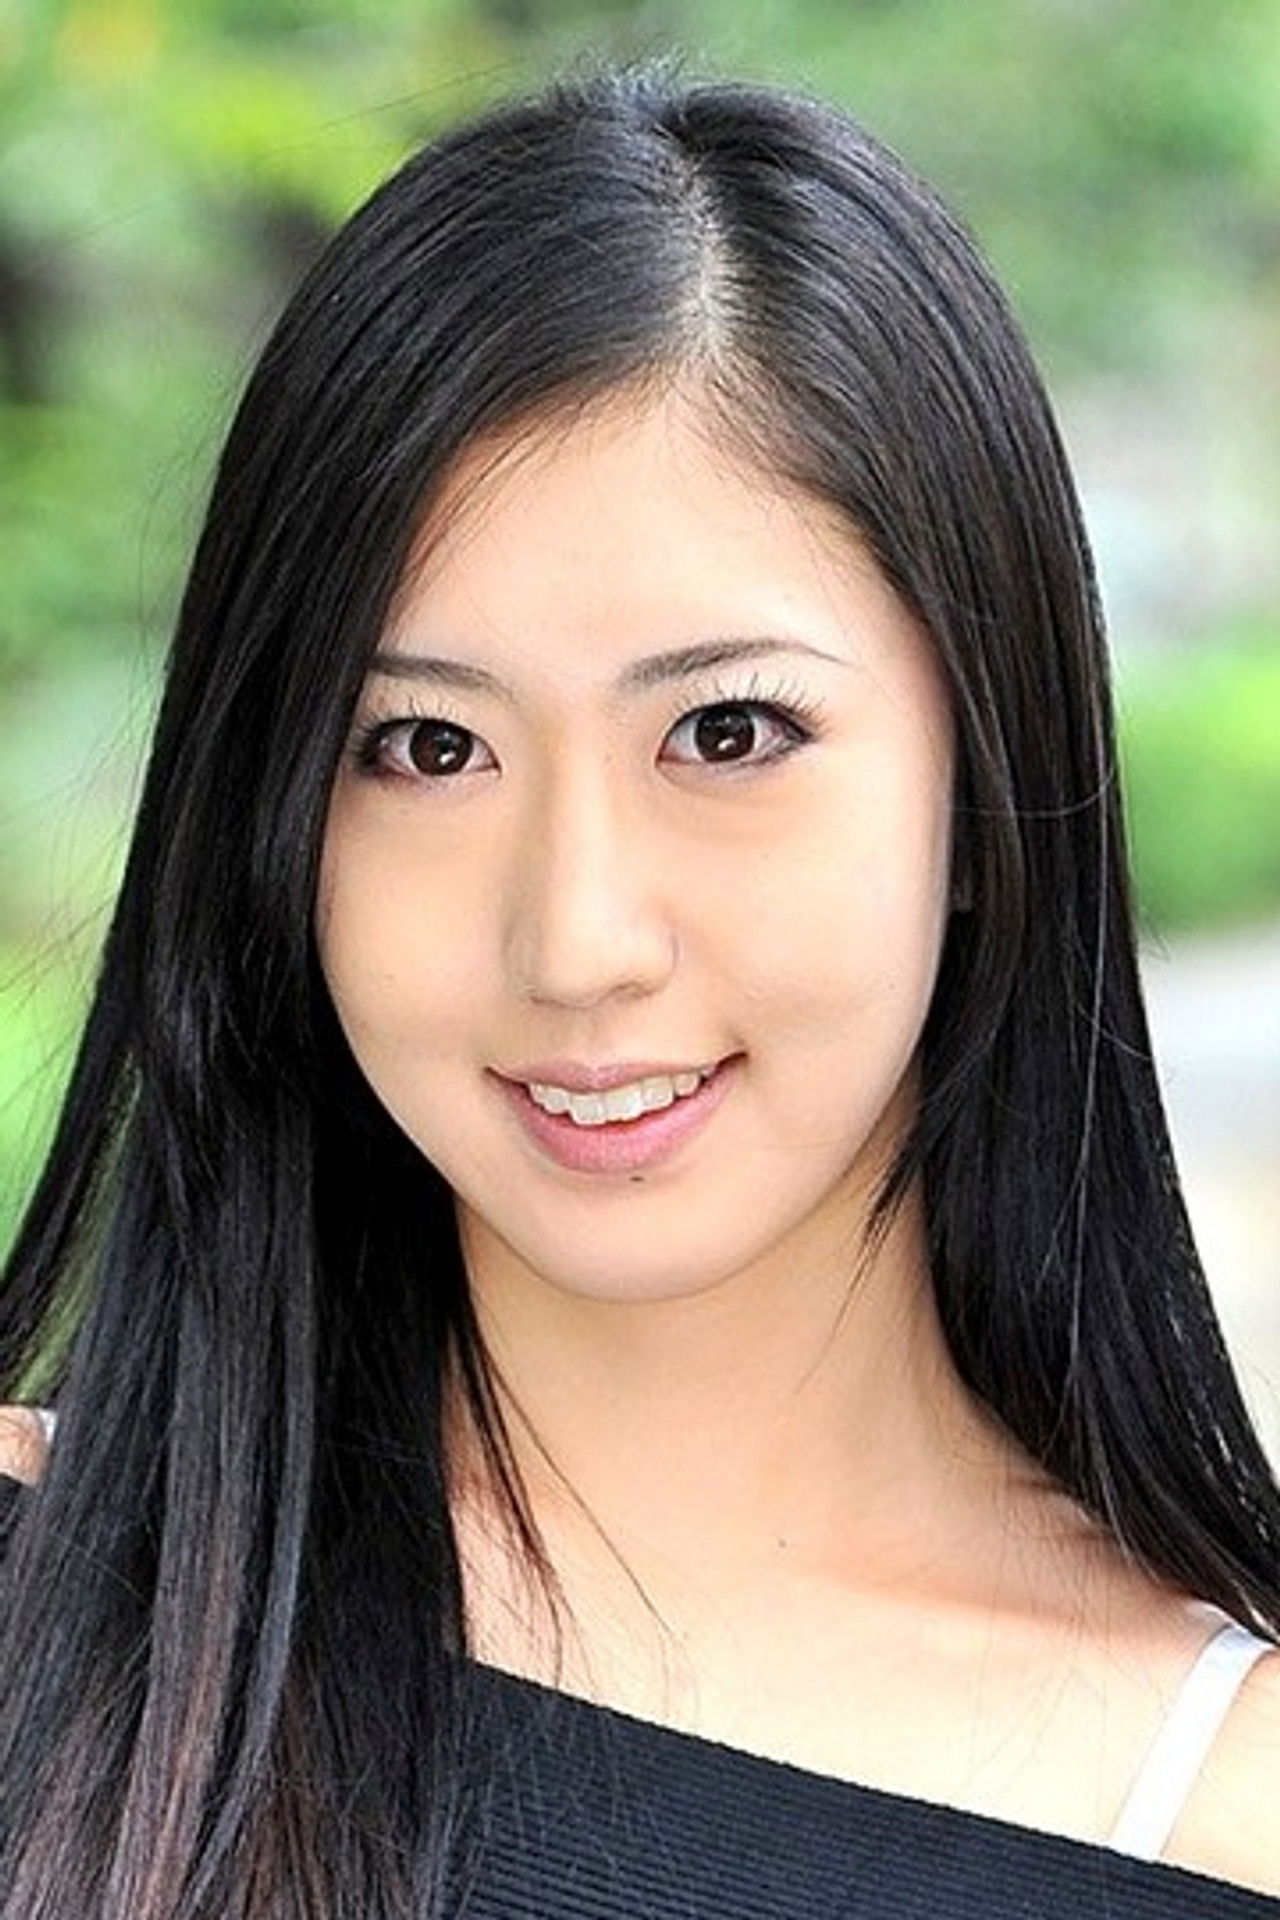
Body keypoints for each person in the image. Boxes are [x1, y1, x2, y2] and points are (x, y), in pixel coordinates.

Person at [1, 62, 1277, 1919]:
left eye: (728, 731)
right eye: (425, 746)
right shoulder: (44, 1606)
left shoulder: (1222, 1807)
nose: (578, 941)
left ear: (984, 776)